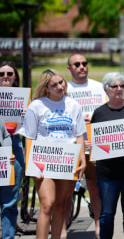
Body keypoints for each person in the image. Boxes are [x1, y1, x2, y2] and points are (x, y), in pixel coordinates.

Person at [18, 69, 87, 239]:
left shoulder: (74, 105)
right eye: (54, 85)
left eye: (61, 82)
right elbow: (29, 138)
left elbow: (79, 136)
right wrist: (32, 166)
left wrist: (82, 161)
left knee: (61, 207)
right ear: (46, 87)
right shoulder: (36, 106)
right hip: (43, 162)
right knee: (47, 205)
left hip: (67, 162)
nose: (59, 87)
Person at [91, 73, 124, 239]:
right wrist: (90, 145)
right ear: (106, 89)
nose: (119, 89)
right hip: (108, 174)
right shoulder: (99, 113)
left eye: (122, 86)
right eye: (114, 86)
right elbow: (95, 141)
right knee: (106, 214)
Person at [66, 54, 105, 239]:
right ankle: (61, 229)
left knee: (94, 188)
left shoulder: (99, 87)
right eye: (77, 64)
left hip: (95, 147)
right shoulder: (63, 88)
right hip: (69, 148)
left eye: (84, 63)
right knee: (65, 191)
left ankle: (98, 226)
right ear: (69, 68)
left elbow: (108, 113)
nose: (81, 67)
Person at [0, 62, 24, 239]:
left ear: (15, 78)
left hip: (14, 145)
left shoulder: (23, 99)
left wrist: (26, 117)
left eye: (10, 74)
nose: (6, 76)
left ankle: (8, 236)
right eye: (2, 74)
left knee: (10, 199)